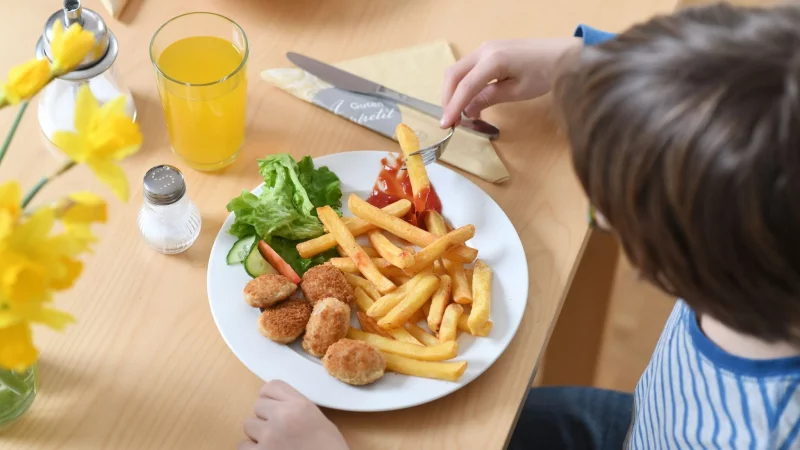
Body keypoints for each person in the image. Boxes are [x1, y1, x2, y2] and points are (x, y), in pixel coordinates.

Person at [239, 3, 800, 449]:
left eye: (611, 215)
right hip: (642, 424)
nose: (600, 218)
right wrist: (585, 60)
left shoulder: (758, 433)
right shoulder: (764, 245)